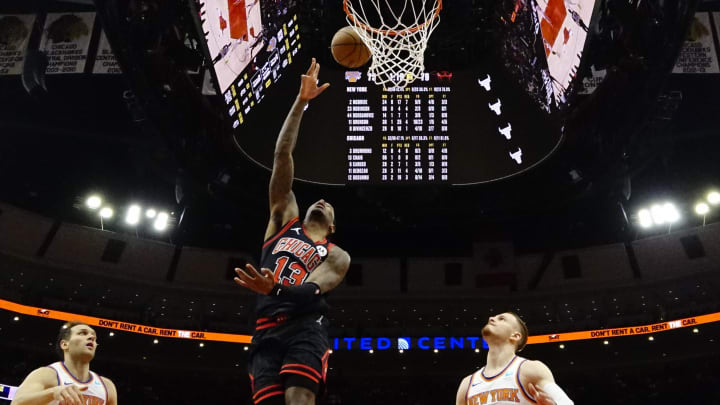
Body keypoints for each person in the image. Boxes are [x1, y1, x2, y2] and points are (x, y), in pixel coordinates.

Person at [234, 58, 351, 405]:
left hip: (305, 327)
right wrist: (301, 103)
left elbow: (313, 291)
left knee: (299, 399)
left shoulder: (337, 255)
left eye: (329, 206)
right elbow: (282, 154)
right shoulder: (284, 217)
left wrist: (276, 286)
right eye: (319, 200)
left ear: (331, 226)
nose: (322, 200)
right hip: (264, 331)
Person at [455, 313, 573, 405]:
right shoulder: (467, 384)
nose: (491, 318)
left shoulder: (530, 369)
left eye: (501, 319)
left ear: (515, 335)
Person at [11, 321, 118, 405]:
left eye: (94, 337)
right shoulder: (46, 374)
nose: (92, 337)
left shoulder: (107, 386)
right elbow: (16, 403)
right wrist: (53, 393)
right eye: (83, 333)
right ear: (64, 344)